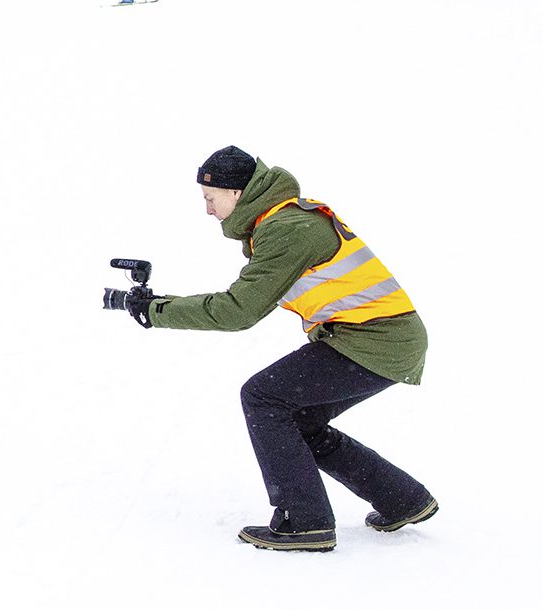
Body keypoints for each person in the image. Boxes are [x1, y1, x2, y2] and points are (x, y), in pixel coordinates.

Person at [114, 146, 436, 552]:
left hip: (375, 339)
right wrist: (160, 305)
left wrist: (156, 311)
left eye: (210, 199)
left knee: (264, 397)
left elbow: (238, 310)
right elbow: (245, 302)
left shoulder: (287, 229)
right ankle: (402, 499)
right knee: (296, 420)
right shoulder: (280, 222)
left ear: (236, 193)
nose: (208, 210)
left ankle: (304, 523)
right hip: (381, 338)